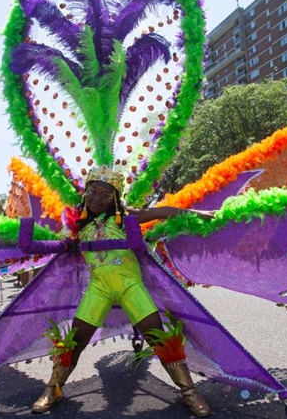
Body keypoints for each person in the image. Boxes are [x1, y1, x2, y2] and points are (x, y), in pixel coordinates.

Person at [31, 166, 213, 416]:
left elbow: (162, 212)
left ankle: (190, 392)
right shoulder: (76, 223)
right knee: (73, 342)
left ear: (113, 199)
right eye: (93, 191)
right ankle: (53, 389)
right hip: (98, 290)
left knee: (159, 338)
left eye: (105, 194)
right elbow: (57, 245)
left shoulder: (125, 216)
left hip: (131, 287)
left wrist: (195, 213)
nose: (97, 197)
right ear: (86, 192)